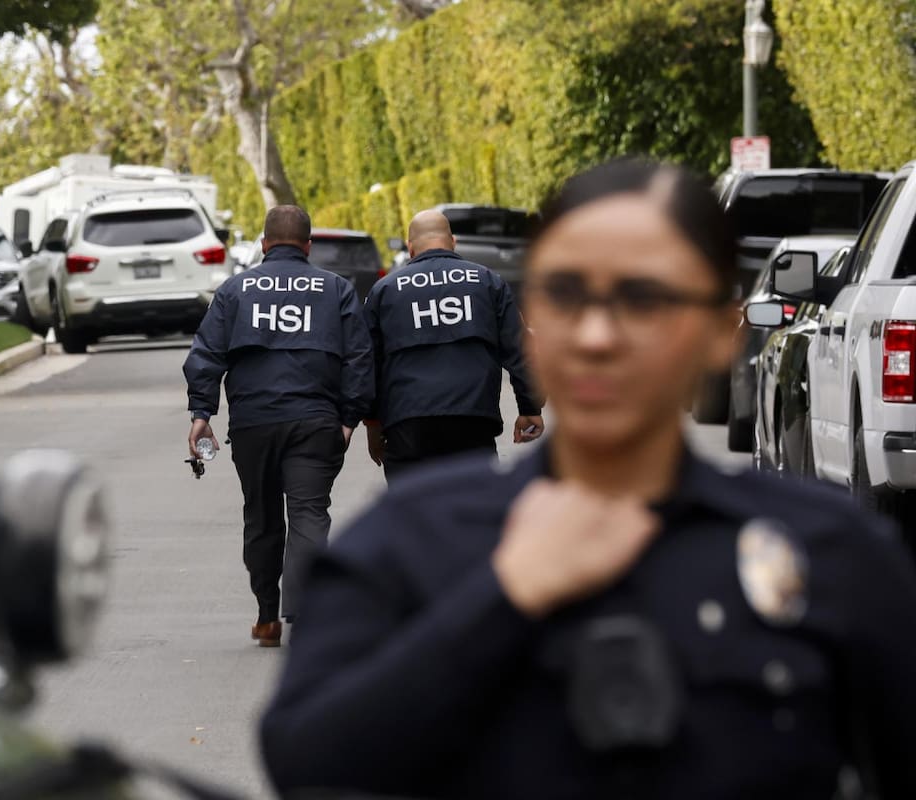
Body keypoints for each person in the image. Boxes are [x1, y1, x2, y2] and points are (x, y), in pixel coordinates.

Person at [258, 160, 916, 797]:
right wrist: (504, 596)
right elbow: (308, 760)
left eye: (645, 297)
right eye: (567, 294)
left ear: (722, 330)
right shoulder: (405, 542)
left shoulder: (831, 555)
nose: (598, 333)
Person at [182, 205, 373, 648]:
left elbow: (205, 356)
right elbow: (360, 359)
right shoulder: (336, 290)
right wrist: (349, 418)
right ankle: (306, 615)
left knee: (263, 518)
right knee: (309, 515)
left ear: (264, 245)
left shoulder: (234, 291)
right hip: (316, 422)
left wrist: (201, 415)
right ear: (308, 246)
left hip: (254, 424)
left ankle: (268, 616)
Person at [363, 209, 543, 480]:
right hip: (473, 418)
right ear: (453, 241)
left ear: (410, 248)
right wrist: (529, 408)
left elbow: (369, 364)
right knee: (474, 509)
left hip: (407, 423)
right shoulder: (487, 282)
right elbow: (519, 349)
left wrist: (373, 425)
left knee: (411, 512)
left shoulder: (384, 291)